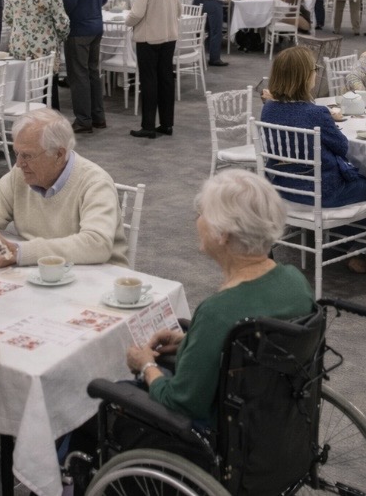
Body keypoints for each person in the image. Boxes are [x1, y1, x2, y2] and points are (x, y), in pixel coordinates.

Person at [124, 170, 315, 423]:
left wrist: (146, 365)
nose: (197, 220)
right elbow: (257, 347)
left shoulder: (218, 312)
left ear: (223, 233)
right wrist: (193, 342)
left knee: (115, 390)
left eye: (201, 213)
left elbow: (181, 402)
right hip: (276, 415)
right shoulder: (296, 281)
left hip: (222, 426)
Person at [0, 109, 129, 267]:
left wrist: (20, 252)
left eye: (27, 155)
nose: (18, 164)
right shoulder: (21, 175)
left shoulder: (95, 183)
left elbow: (96, 244)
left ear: (59, 154)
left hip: (100, 276)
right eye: (17, 153)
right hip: (41, 272)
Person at [260, 46, 366, 209]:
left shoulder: (268, 108)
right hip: (322, 192)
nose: (316, 74)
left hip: (282, 186)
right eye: (315, 69)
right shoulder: (316, 113)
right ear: (304, 77)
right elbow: (343, 147)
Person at [126, 0, 180, 139]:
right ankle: (166, 124)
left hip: (149, 37)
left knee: (149, 81)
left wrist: (127, 22)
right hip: (169, 35)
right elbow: (179, 9)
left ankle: (148, 126)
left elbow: (137, 12)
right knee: (166, 79)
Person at [4, 0, 70, 107]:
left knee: (23, 87)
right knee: (48, 90)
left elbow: (7, 17)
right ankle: (49, 114)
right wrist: (60, 37)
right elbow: (62, 24)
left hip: (19, 47)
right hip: (44, 50)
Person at [57, 0, 108, 134]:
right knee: (92, 73)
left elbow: (68, 1)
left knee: (78, 75)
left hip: (79, 29)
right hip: (95, 26)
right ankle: (98, 117)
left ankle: (83, 119)